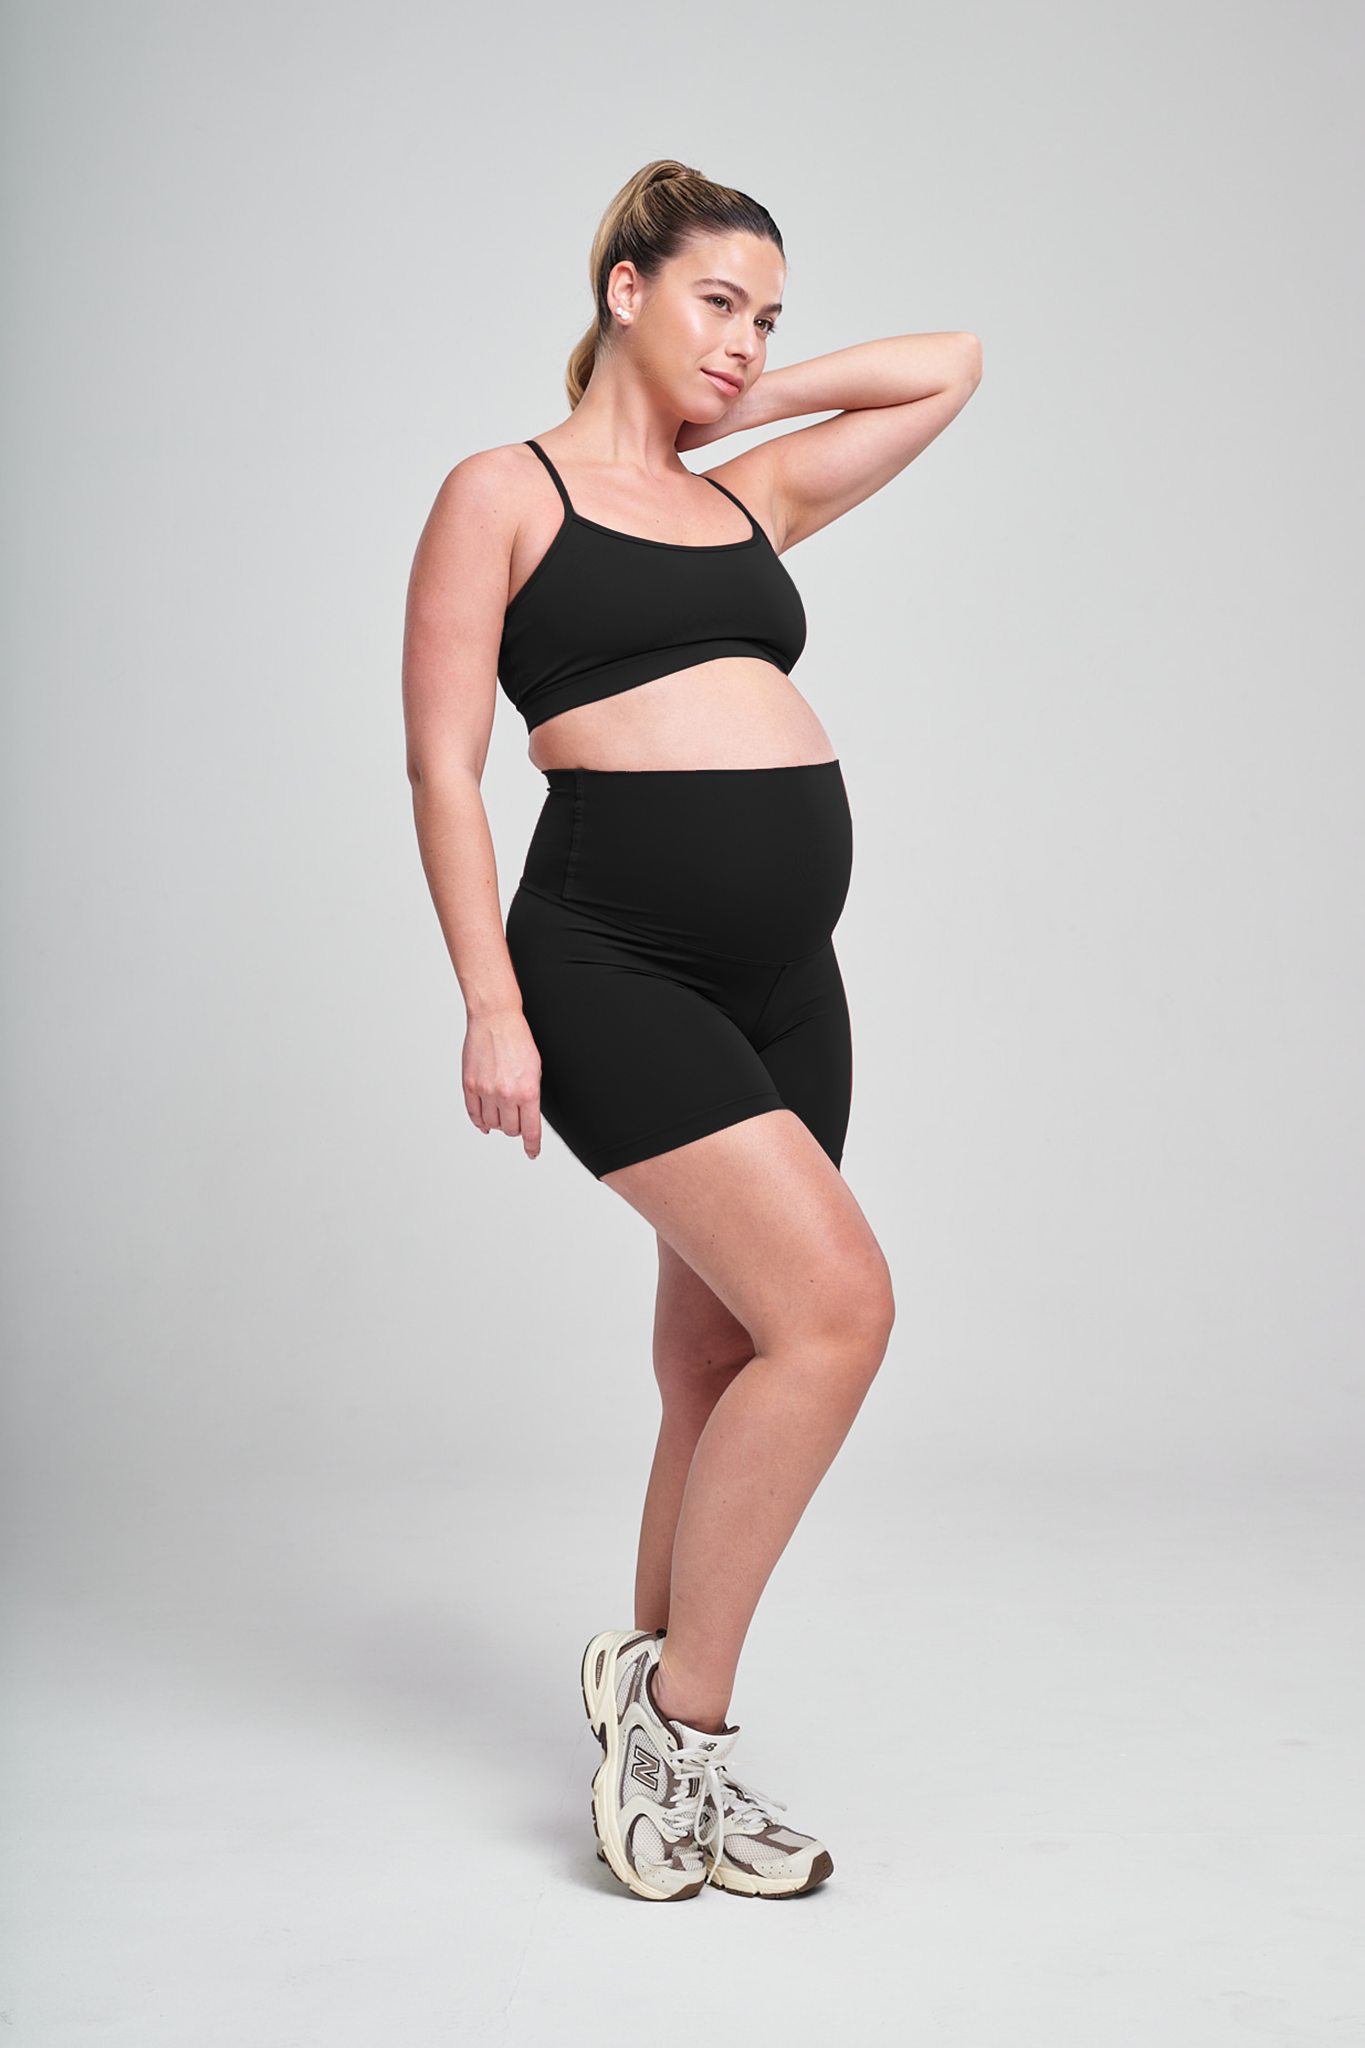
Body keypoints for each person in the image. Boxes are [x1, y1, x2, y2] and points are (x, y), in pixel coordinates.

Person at [403, 161, 981, 1901]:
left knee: (720, 1361)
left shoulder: (748, 502)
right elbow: (442, 765)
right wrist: (491, 1004)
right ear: (625, 289)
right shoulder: (501, 492)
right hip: (612, 960)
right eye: (719, 302)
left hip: (788, 978)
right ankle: (682, 1739)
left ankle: (647, 1688)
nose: (748, 339)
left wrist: (748, 395)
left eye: (771, 315)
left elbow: (950, 365)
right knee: (839, 1312)